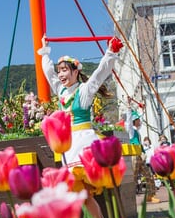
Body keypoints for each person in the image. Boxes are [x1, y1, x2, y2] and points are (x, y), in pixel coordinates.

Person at [39, 36, 123, 169]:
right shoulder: (61, 91)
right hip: (69, 143)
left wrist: (110, 52)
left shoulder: (84, 90)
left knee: (89, 176)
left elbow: (99, 74)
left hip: (85, 141)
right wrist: (45, 51)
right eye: (59, 71)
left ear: (76, 72)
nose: (60, 75)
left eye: (64, 70)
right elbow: (49, 73)